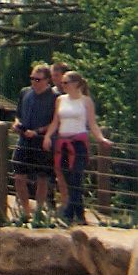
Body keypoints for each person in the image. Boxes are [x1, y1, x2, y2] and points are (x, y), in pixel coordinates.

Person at [42, 70, 111, 225]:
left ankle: (67, 212)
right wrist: (47, 136)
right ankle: (79, 215)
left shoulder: (86, 101)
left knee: (75, 178)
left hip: (78, 143)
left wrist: (100, 138)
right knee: (67, 178)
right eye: (62, 83)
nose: (62, 85)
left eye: (66, 82)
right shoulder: (60, 100)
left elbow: (92, 123)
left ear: (76, 84)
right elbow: (55, 121)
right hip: (63, 142)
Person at [11, 64, 58, 221]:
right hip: (23, 139)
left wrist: (38, 132)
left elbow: (55, 121)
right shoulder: (24, 92)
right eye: (32, 78)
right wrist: (17, 123)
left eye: (38, 79)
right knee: (18, 176)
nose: (34, 82)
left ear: (47, 80)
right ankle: (26, 212)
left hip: (41, 141)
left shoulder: (54, 97)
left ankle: (39, 211)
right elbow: (18, 114)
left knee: (42, 178)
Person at [49, 61, 70, 208]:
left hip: (67, 136)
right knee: (52, 170)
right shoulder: (51, 93)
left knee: (64, 170)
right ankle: (52, 202)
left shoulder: (72, 93)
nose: (54, 78)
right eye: (52, 75)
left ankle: (66, 203)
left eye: (56, 75)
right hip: (53, 135)